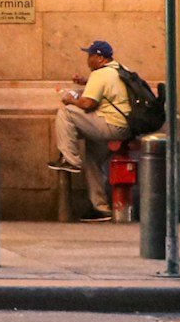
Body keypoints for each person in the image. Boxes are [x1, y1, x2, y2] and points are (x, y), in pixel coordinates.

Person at [50, 39, 130, 221]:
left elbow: (87, 104)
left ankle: (70, 160)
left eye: (90, 55)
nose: (87, 59)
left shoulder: (100, 74)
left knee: (66, 113)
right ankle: (101, 208)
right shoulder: (120, 69)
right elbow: (109, 89)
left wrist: (70, 100)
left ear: (99, 58)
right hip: (125, 127)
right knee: (92, 159)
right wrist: (87, 81)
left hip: (111, 126)